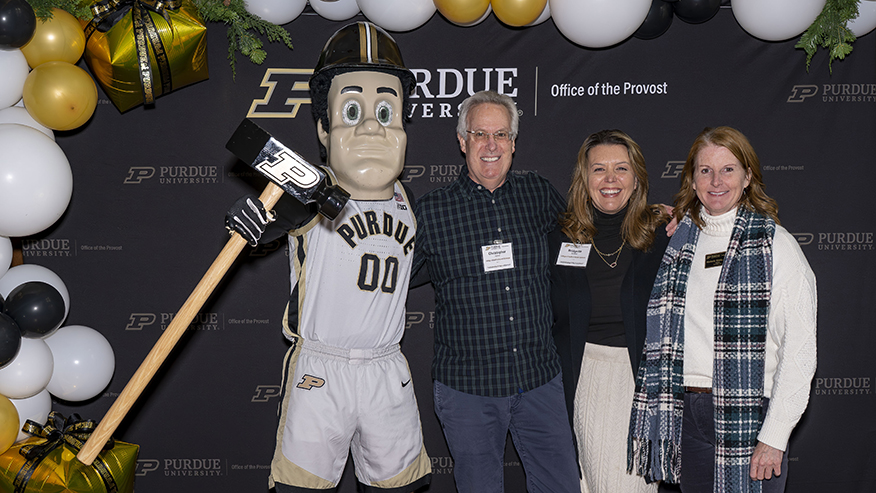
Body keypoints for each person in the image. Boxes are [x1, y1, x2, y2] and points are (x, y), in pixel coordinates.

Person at [226, 22, 431, 492]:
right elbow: (270, 225)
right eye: (352, 109)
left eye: (385, 109)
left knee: (402, 487)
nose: (370, 126)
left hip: (386, 366)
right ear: (323, 126)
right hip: (322, 369)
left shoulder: (408, 198)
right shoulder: (309, 190)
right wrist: (249, 220)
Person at [628, 126, 817, 493]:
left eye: (728, 169)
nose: (716, 181)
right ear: (692, 179)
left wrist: (775, 436)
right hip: (685, 413)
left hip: (748, 414)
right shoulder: (679, 239)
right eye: (705, 170)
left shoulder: (776, 246)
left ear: (747, 177)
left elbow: (799, 352)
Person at [411, 90, 580, 492]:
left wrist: (651, 220)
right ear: (462, 141)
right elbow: (392, 276)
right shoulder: (432, 211)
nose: (491, 145)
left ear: (513, 143)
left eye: (501, 135)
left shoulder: (537, 193)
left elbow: (586, 239)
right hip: (469, 389)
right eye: (480, 134)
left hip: (538, 379)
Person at [549, 130, 669, 493]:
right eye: (599, 169)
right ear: (584, 180)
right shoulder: (559, 235)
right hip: (579, 380)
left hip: (638, 383)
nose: (611, 179)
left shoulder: (662, 232)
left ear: (637, 180)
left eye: (622, 168)